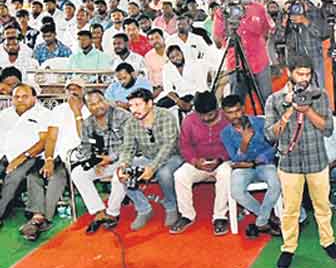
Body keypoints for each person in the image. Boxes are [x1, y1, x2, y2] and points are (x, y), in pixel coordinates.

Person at [264, 58, 336, 268]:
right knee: (290, 209)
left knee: (323, 206)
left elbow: (327, 128)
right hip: (289, 163)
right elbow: (270, 135)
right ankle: (288, 247)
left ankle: (328, 241)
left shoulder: (320, 95)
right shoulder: (275, 99)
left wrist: (307, 110)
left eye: (308, 74)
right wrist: (289, 109)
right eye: (300, 74)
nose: (305, 79)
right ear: (289, 73)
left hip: (317, 160)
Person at [105, 88, 182, 231]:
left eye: (138, 105)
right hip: (148, 157)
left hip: (172, 157)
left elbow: (168, 146)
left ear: (150, 103)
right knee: (123, 174)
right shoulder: (130, 123)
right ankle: (144, 208)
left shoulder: (166, 117)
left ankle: (171, 206)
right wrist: (123, 165)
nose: (133, 110)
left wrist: (152, 168)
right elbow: (128, 148)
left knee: (163, 173)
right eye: (131, 106)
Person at [0, 84, 62, 240]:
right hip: (4, 154)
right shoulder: (5, 114)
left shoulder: (43, 114)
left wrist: (21, 157)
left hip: (30, 156)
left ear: (34, 97)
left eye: (25, 96)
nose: (20, 100)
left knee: (12, 178)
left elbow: (43, 141)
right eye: (16, 97)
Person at [170, 91, 232, 235]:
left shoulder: (227, 119)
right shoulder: (189, 121)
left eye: (210, 115)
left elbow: (235, 145)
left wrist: (221, 159)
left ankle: (220, 216)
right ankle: (186, 215)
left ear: (217, 109)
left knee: (225, 173)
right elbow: (184, 146)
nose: (205, 118)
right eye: (201, 115)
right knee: (180, 175)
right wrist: (195, 161)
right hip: (199, 162)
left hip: (223, 161)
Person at [220, 93, 281, 238]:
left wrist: (259, 159)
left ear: (243, 108)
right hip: (243, 168)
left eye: (237, 111)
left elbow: (274, 145)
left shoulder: (259, 123)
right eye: (230, 113)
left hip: (264, 164)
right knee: (236, 192)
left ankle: (261, 222)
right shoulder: (225, 133)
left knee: (276, 183)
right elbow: (235, 158)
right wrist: (245, 142)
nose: (235, 115)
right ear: (224, 114)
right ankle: (265, 216)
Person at [75, 89, 132, 233]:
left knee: (119, 174)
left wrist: (110, 158)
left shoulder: (122, 116)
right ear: (87, 107)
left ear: (105, 100)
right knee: (78, 173)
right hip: (102, 162)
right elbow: (85, 146)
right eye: (92, 104)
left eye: (99, 101)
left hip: (125, 159)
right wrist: (94, 161)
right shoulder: (87, 123)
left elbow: (130, 144)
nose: (97, 106)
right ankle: (99, 212)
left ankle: (112, 213)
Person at [212, 0, 273, 107]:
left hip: (259, 62)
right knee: (237, 105)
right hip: (236, 64)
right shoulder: (222, 12)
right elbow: (217, 41)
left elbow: (266, 31)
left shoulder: (258, 8)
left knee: (267, 102)